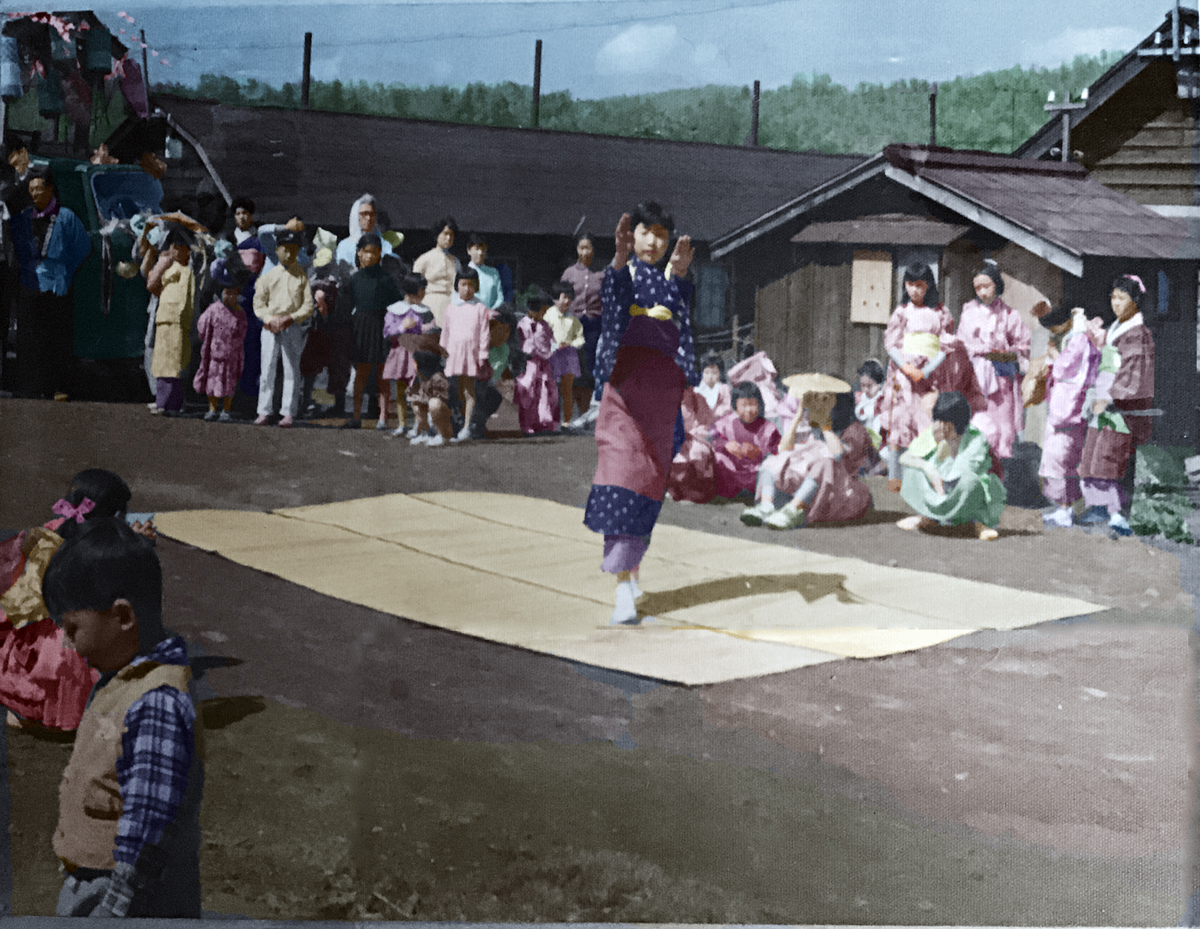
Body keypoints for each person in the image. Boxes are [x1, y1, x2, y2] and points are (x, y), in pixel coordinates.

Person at [43, 518, 203, 918]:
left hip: (128, 900)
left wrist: (114, 912)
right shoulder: (121, 679)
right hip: (93, 885)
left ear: (123, 616)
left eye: (73, 627)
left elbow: (148, 828)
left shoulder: (157, 702)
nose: (67, 642)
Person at [583, 202, 698, 626]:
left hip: (662, 400)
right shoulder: (622, 274)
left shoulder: (672, 280)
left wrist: (681, 277)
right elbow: (612, 304)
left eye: (661, 236)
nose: (653, 242)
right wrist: (615, 258)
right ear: (633, 237)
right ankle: (621, 588)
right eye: (646, 233)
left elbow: (683, 330)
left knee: (648, 489)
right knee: (620, 482)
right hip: (624, 396)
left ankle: (631, 575)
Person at [0, 469, 154, 732]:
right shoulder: (99, 551)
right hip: (66, 645)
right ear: (116, 515)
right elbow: (132, 591)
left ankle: (27, 712)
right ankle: (58, 717)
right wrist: (139, 545)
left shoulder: (49, 531)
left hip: (29, 641)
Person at [880, 262, 982, 492]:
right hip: (903, 374)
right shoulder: (902, 311)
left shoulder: (940, 312)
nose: (914, 290)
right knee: (900, 421)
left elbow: (945, 346)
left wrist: (924, 371)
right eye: (910, 285)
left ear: (929, 285)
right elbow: (891, 343)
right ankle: (895, 475)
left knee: (928, 420)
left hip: (931, 373)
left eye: (920, 285)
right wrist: (906, 367)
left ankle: (932, 471)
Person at [1077, 275, 1156, 536]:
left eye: (1122, 298)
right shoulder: (1115, 328)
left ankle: (1116, 513)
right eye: (1113, 297)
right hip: (1103, 395)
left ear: (1135, 302)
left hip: (1120, 405)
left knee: (1111, 456)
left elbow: (1134, 374)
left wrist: (1110, 398)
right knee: (1093, 454)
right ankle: (1097, 506)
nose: (1116, 303)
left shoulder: (1138, 334)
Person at [10, 163, 91, 400]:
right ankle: (29, 386)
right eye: (31, 190)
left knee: (57, 338)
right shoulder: (24, 217)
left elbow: (84, 247)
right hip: (30, 287)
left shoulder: (66, 217)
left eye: (39, 189)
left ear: (51, 190)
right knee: (29, 339)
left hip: (57, 288)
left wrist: (66, 272)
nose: (34, 194)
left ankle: (58, 386)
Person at [743, 387, 872, 530]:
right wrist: (797, 417)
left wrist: (825, 427)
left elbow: (837, 454)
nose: (822, 408)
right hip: (814, 487)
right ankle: (766, 505)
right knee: (775, 459)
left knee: (826, 462)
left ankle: (793, 510)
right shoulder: (816, 429)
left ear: (841, 405)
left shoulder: (856, 430)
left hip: (840, 493)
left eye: (827, 403)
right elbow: (784, 448)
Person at [896, 390, 1005, 541]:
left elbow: (962, 472)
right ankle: (930, 517)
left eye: (946, 423)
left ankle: (979, 523)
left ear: (958, 422)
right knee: (912, 472)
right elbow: (905, 457)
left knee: (970, 483)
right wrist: (929, 468)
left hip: (963, 493)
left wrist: (943, 450)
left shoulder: (976, 439)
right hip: (941, 488)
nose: (941, 426)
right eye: (939, 421)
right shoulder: (936, 431)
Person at [957, 260, 1031, 473]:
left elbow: (1022, 344)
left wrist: (1011, 353)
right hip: (976, 372)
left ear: (996, 285)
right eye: (978, 287)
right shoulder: (969, 311)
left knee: (1001, 423)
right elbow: (961, 343)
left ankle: (1000, 471)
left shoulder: (1010, 315)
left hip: (1000, 374)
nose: (982, 291)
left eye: (986, 286)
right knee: (977, 421)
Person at [1037, 305, 1102, 528]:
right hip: (1066, 401)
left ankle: (1066, 509)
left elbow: (1066, 367)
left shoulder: (1080, 339)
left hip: (1070, 402)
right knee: (1061, 456)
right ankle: (1064, 507)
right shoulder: (1075, 337)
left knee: (1061, 456)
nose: (1054, 330)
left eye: (1055, 326)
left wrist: (1055, 357)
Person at [339, 233, 403, 431]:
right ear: (359, 253)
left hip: (381, 329)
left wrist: (394, 331)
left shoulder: (386, 279)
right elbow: (347, 304)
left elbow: (397, 305)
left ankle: (382, 419)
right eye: (366, 252)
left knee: (382, 376)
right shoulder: (355, 279)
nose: (370, 256)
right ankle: (356, 417)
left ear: (380, 255)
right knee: (360, 374)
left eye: (375, 253)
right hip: (359, 329)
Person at [253, 228, 313, 427]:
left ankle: (288, 412)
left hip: (292, 326)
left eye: (294, 249)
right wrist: (269, 319)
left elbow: (307, 306)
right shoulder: (268, 277)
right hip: (270, 327)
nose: (289, 253)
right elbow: (259, 304)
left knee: (292, 370)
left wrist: (291, 318)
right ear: (277, 249)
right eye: (285, 249)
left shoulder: (302, 277)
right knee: (267, 368)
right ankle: (264, 410)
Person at [192, 257, 249, 422]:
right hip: (214, 356)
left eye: (233, 293)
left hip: (231, 356)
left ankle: (226, 410)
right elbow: (202, 326)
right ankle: (212, 409)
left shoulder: (239, 313)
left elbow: (242, 332)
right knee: (212, 384)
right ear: (220, 292)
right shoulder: (213, 309)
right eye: (227, 292)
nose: (230, 296)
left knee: (229, 385)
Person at [439, 267, 491, 442]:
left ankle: (467, 427)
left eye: (471, 285)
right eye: (463, 284)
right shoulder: (451, 307)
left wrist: (483, 355)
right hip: (453, 355)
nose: (467, 288)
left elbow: (485, 334)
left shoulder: (480, 308)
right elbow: (445, 332)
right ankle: (452, 424)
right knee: (453, 390)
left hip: (471, 355)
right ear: (457, 285)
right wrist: (442, 351)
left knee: (469, 391)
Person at [148, 231, 194, 415]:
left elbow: (187, 299)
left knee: (172, 363)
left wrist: (185, 320)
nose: (174, 251)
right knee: (161, 361)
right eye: (173, 247)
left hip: (177, 321)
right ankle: (161, 400)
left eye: (178, 248)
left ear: (187, 251)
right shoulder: (170, 267)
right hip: (164, 318)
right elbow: (154, 285)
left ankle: (170, 403)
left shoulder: (187, 271)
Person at [711, 381, 781, 500]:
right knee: (717, 458)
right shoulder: (726, 422)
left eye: (752, 404)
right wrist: (725, 445)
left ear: (760, 405)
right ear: (735, 406)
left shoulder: (769, 428)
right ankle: (725, 492)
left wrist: (760, 453)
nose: (748, 409)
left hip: (756, 475)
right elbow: (713, 436)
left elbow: (777, 453)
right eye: (743, 405)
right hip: (732, 472)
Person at [384, 271, 434, 437]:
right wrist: (402, 327)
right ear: (414, 289)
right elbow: (387, 332)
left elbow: (431, 329)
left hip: (417, 354)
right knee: (400, 390)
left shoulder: (425, 311)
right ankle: (402, 424)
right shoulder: (395, 309)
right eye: (422, 289)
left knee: (416, 390)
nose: (424, 293)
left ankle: (417, 425)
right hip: (399, 353)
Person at [561, 232, 603, 427]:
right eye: (581, 248)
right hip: (575, 324)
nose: (585, 252)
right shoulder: (570, 273)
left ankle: (594, 412)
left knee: (593, 365)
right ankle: (581, 411)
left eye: (588, 248)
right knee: (577, 367)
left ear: (593, 250)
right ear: (577, 250)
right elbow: (562, 299)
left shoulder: (600, 273)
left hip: (595, 324)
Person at [515, 286, 560, 435]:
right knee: (528, 392)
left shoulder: (545, 326)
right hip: (528, 363)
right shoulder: (522, 324)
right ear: (533, 310)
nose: (545, 314)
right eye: (543, 311)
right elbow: (518, 343)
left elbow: (553, 340)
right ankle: (526, 423)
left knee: (545, 390)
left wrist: (554, 349)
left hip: (544, 363)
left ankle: (543, 421)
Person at [469, 308, 520, 440]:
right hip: (468, 385)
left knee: (494, 397)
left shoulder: (504, 349)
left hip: (486, 384)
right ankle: (464, 423)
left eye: (506, 331)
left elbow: (499, 373)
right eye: (498, 330)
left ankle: (477, 424)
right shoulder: (475, 344)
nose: (502, 335)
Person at [546, 280, 585, 427]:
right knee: (551, 389)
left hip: (568, 358)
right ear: (555, 299)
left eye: (570, 297)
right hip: (552, 358)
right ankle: (550, 419)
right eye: (564, 297)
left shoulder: (574, 319)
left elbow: (580, 338)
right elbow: (543, 336)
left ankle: (566, 421)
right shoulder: (549, 316)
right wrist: (555, 345)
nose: (568, 300)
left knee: (567, 390)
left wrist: (571, 344)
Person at [413, 217, 460, 326]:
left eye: (451, 235)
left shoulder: (456, 262)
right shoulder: (424, 259)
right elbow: (414, 286)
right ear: (436, 235)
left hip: (450, 307)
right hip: (429, 306)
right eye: (445, 234)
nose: (448, 238)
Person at [334, 193, 394, 273]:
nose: (368, 218)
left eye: (371, 214)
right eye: (364, 214)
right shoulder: (344, 246)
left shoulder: (385, 246)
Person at [408, 350, 453, 447]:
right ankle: (425, 433)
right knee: (416, 403)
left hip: (447, 419)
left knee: (434, 404)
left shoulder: (439, 376)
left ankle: (443, 436)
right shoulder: (418, 376)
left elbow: (445, 401)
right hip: (432, 419)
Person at [466, 233, 503, 310]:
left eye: (483, 249)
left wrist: (491, 311)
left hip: (489, 317)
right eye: (477, 249)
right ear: (469, 250)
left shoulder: (493, 273)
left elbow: (500, 298)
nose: (480, 253)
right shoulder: (463, 272)